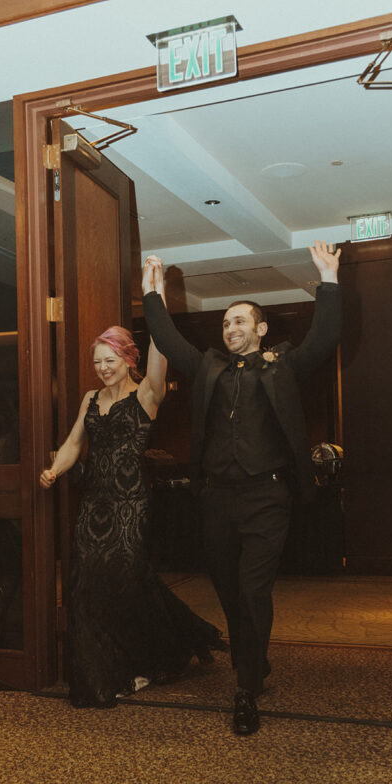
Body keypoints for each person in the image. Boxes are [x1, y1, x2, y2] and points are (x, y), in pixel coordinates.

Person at [142, 240, 342, 735]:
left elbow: (325, 336)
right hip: (216, 499)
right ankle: (255, 658)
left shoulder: (283, 366)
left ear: (261, 328)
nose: (230, 328)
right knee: (229, 592)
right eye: (225, 322)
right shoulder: (207, 367)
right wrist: (153, 295)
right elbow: (169, 342)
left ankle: (245, 689)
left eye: (239, 321)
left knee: (254, 591)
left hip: (267, 497)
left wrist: (329, 280)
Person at [39, 279, 224, 708]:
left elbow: (161, 354)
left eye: (110, 360)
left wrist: (154, 292)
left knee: (122, 580)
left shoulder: (147, 394)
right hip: (94, 501)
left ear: (127, 359)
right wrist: (53, 470)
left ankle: (141, 659)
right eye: (98, 362)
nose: (103, 368)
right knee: (85, 584)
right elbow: (71, 445)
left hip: (130, 503)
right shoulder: (89, 398)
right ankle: (101, 671)